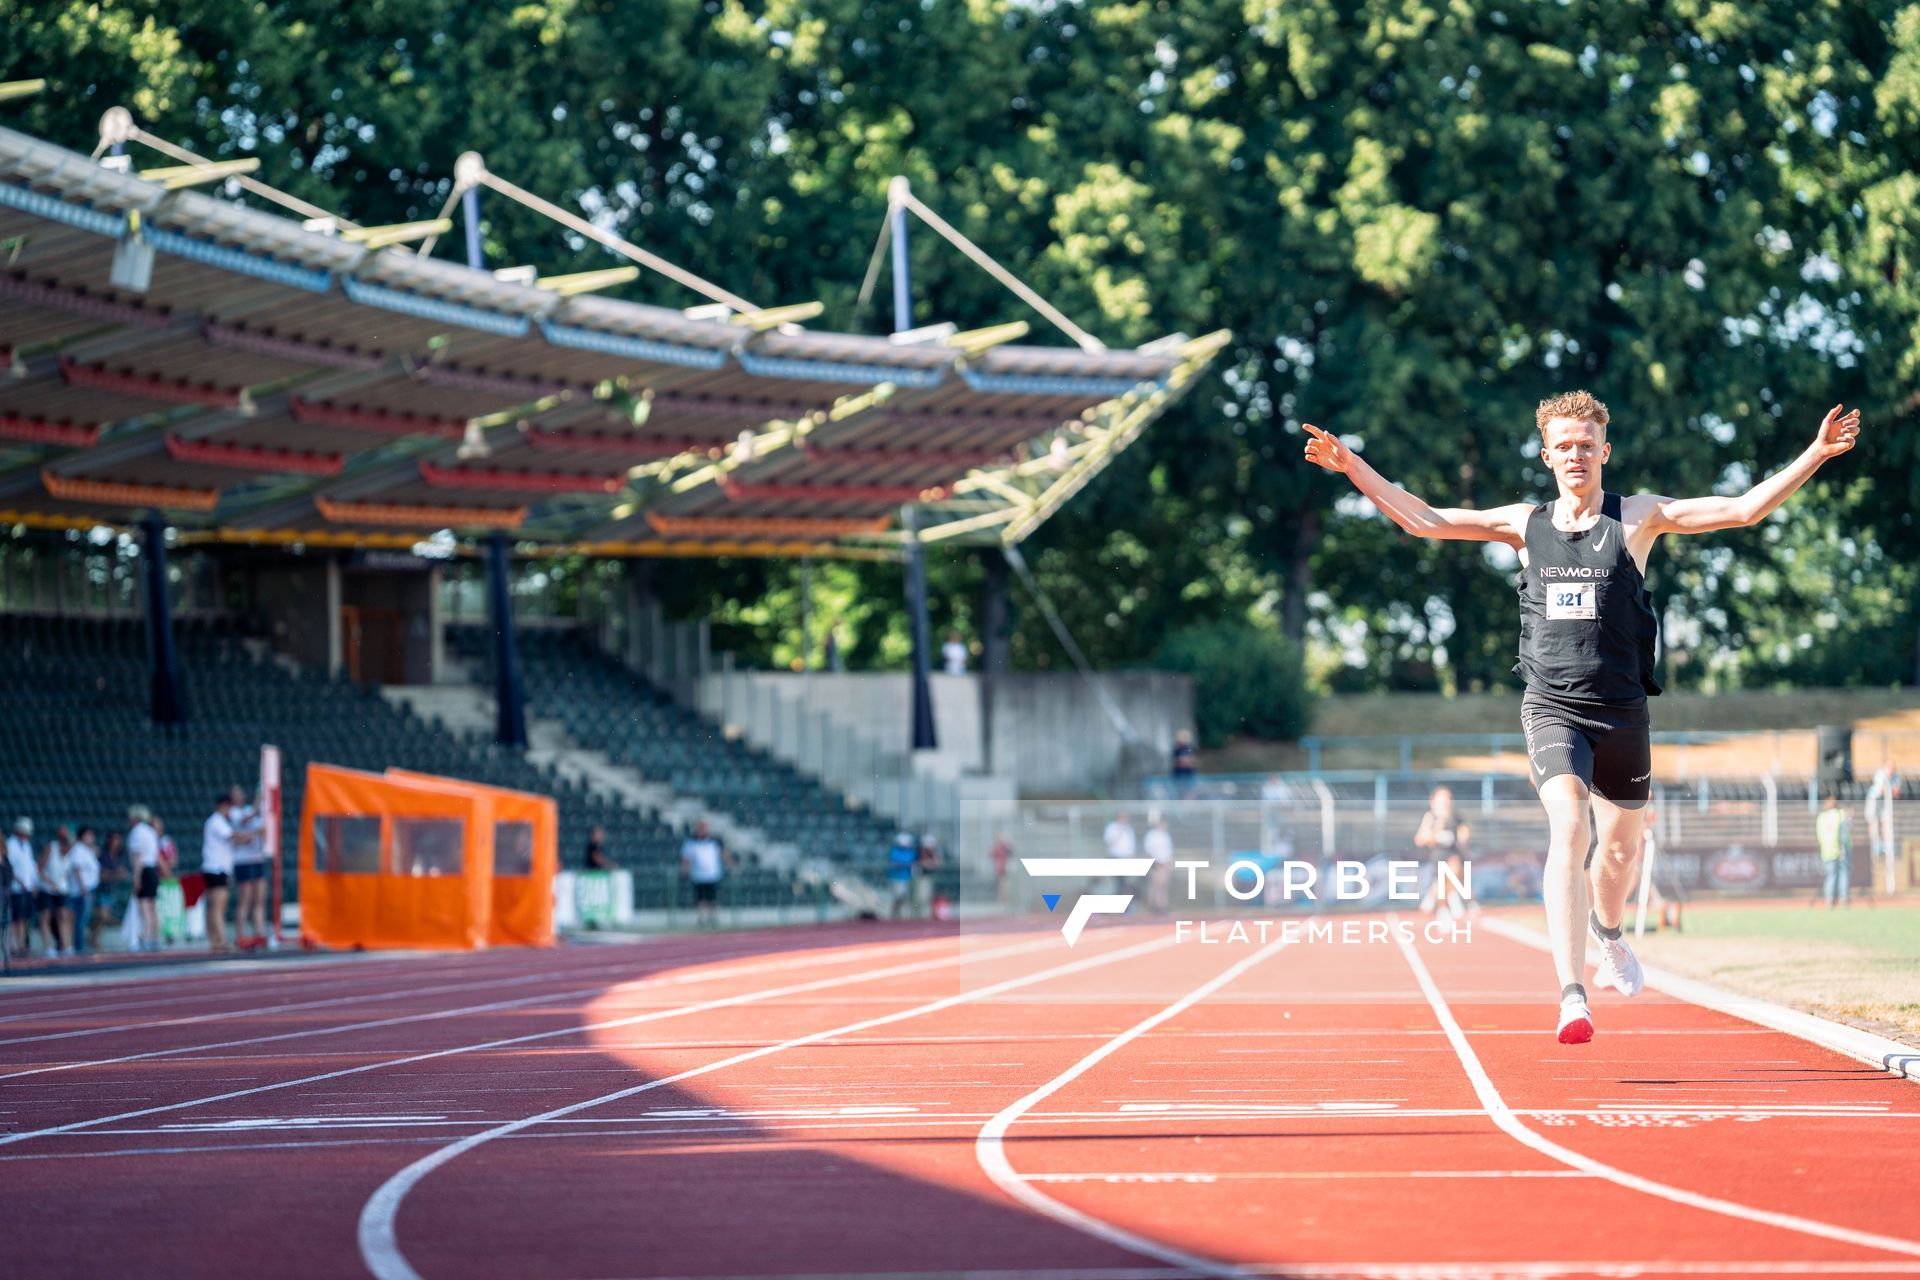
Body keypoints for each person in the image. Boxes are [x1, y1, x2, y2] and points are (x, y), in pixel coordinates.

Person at [1306, 390, 1862, 1044]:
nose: (1576, 455)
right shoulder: (1525, 524)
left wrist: (1816, 453)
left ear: (1605, 450)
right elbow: (1425, 520)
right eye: (1563, 446)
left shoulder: (1638, 517)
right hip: (1551, 706)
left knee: (1620, 851)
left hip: (1622, 710)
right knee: (1569, 827)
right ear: (1547, 456)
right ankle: (1572, 994)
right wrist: (1353, 466)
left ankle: (1610, 932)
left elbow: (1741, 509)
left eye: (1586, 445)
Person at [1414, 787, 1471, 920]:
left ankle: (1448, 899)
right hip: (1437, 856)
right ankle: (1444, 905)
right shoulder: (1430, 817)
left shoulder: (1456, 817)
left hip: (1454, 855)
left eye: (1447, 799)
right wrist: (1436, 837)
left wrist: (1462, 840)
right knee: (1440, 881)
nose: (1445, 802)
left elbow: (1464, 833)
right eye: (1441, 799)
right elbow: (1420, 839)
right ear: (1433, 801)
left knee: (1453, 871)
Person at [227, 785, 270, 948]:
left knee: (259, 899)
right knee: (245, 900)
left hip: (257, 859)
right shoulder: (233, 813)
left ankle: (259, 933)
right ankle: (240, 934)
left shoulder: (250, 810)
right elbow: (247, 820)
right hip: (243, 861)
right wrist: (260, 799)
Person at [201, 794, 240, 952]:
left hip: (213, 868)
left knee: (214, 907)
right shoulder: (217, 821)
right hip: (217, 869)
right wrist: (256, 833)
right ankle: (221, 940)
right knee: (218, 907)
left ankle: (215, 940)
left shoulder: (215, 821)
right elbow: (233, 837)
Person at [679, 821, 731, 929]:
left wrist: (730, 863)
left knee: (713, 899)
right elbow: (686, 859)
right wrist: (684, 871)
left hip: (712, 875)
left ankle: (713, 919)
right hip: (698, 876)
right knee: (700, 899)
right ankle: (701, 919)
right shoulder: (690, 843)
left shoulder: (715, 842)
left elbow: (722, 854)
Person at [127, 806, 162, 951]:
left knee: (144, 906)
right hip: (152, 869)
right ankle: (155, 937)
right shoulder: (150, 831)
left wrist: (136, 878)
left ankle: (146, 937)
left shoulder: (137, 832)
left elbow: (138, 857)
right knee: (152, 907)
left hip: (144, 870)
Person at [1865, 763, 1901, 895]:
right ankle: (1876, 852)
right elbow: (1880, 792)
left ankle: (1883, 850)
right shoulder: (1880, 776)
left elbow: (1897, 793)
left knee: (1888, 835)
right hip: (1876, 808)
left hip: (1885, 811)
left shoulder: (1896, 777)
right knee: (1874, 831)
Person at [39, 824, 74, 957]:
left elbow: (67, 873)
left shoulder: (69, 854)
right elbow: (40, 868)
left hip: (61, 889)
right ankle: (48, 946)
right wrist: (49, 882)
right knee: (46, 916)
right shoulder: (50, 848)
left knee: (63, 915)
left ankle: (66, 945)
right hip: (46, 888)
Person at [7, 817, 39, 957]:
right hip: (16, 888)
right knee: (15, 918)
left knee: (24, 918)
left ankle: (22, 944)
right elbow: (9, 867)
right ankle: (13, 945)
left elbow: (30, 866)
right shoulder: (10, 845)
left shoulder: (26, 845)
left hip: (27, 887)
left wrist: (33, 884)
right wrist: (19, 881)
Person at [67, 826, 100, 956]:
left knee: (84, 918)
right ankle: (79, 945)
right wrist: (83, 888)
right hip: (82, 890)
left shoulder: (87, 850)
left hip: (89, 888)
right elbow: (77, 870)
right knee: (81, 918)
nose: (92, 838)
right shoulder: (78, 850)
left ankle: (80, 944)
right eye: (89, 835)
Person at [1817, 791, 1852, 909]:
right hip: (1841, 850)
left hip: (1828, 851)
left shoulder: (1822, 817)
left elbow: (1820, 835)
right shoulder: (1841, 814)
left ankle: (1830, 899)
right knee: (1843, 874)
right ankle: (1843, 899)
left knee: (1831, 875)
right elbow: (1845, 833)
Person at [1143, 814, 1175, 913]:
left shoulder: (1166, 836)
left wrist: (1169, 863)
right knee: (1155, 886)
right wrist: (1154, 863)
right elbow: (1148, 850)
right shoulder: (1151, 835)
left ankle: (1162, 905)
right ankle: (1155, 906)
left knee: (1163, 886)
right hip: (1156, 864)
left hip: (1165, 864)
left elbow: (1169, 851)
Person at [1103, 812, 1138, 896]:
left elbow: (1131, 844)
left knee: (1125, 882)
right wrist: (1119, 832)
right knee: (1118, 882)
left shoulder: (1129, 828)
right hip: (1115, 857)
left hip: (1126, 858)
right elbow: (1109, 842)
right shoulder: (1112, 828)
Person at [885, 830, 918, 920]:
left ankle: (904, 914)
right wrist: (906, 864)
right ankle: (895, 913)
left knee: (906, 897)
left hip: (908, 877)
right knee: (898, 896)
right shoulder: (895, 851)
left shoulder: (911, 851)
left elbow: (914, 863)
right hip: (896, 877)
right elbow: (895, 864)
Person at [1171, 731, 1198, 796]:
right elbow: (1179, 762)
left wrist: (1186, 761)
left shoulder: (1190, 749)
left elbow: (1193, 761)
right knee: (1179, 791)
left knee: (1191, 791)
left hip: (1188, 774)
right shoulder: (1178, 750)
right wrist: (1186, 761)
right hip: (1179, 774)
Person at [990, 831, 1013, 904]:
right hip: (1000, 868)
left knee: (1004, 884)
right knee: (1001, 884)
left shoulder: (1005, 847)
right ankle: (1002, 900)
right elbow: (992, 855)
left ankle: (1004, 899)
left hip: (1004, 868)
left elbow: (1011, 853)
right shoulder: (998, 847)